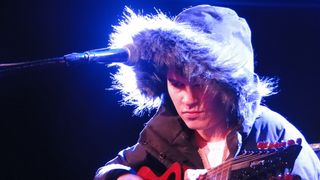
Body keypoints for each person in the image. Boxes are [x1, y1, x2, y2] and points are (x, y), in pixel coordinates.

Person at [94, 4, 320, 180]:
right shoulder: (168, 132)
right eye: (177, 84)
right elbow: (110, 169)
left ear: (229, 85)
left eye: (201, 84)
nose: (188, 100)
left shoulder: (277, 135)